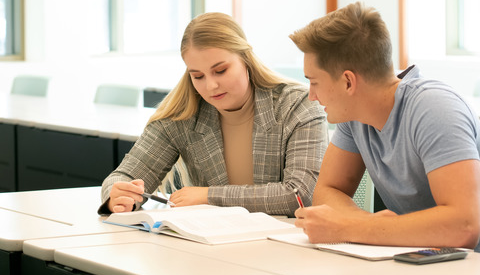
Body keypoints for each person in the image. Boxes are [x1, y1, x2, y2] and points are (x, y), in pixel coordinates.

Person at [289, 2, 480, 261]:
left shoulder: (434, 108)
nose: (311, 96)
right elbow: (327, 190)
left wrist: (349, 227)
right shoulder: (353, 116)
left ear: (348, 81)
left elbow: (463, 227)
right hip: (423, 263)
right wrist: (362, 225)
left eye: (314, 82)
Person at [98, 12, 328, 216]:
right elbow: (124, 176)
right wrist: (117, 196)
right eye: (198, 76)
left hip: (285, 250)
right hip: (210, 248)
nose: (211, 86)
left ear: (245, 59)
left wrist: (209, 196)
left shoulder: (298, 105)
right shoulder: (183, 115)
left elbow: (300, 195)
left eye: (221, 71)